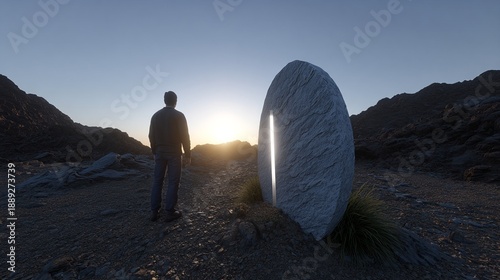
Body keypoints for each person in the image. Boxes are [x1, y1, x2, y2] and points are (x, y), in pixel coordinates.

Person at [149, 91, 191, 222]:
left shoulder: (155, 116)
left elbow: (151, 136)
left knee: (157, 181)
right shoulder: (179, 116)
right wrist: (187, 154)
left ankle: (154, 211)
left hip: (160, 153)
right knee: (173, 182)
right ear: (175, 101)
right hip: (174, 153)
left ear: (164, 100)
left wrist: (154, 152)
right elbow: (185, 136)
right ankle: (170, 211)